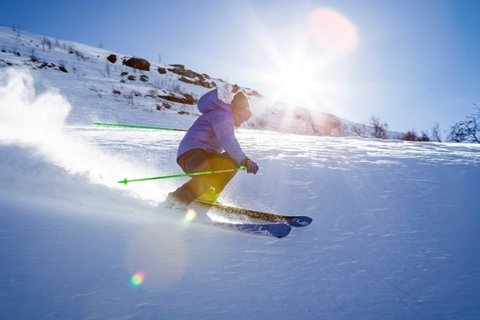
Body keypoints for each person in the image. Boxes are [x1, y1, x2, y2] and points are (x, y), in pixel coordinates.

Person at [163, 85, 259, 209]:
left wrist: (240, 159)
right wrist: (245, 160)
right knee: (207, 173)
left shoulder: (224, 116)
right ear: (235, 107)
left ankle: (206, 198)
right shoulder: (223, 115)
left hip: (205, 154)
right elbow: (228, 140)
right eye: (243, 116)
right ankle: (175, 200)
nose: (242, 122)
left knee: (231, 160)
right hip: (191, 154)